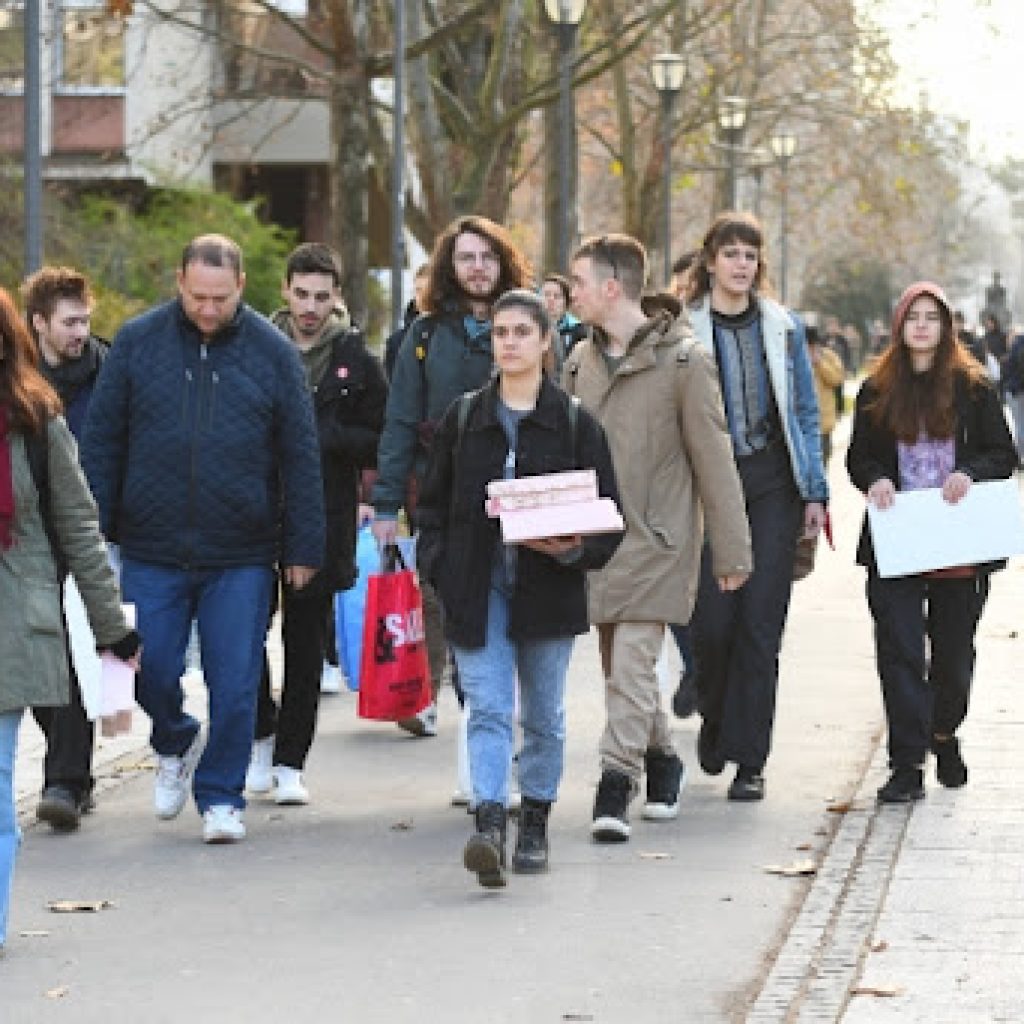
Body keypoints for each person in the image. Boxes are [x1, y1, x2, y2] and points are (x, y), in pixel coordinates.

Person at [82, 234, 325, 844]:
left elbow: (300, 455)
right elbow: (104, 440)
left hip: (240, 550)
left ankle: (222, 795)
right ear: (179, 283)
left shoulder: (273, 353)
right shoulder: (138, 342)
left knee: (237, 678)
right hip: (151, 543)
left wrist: (302, 546)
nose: (209, 309)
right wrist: (95, 530)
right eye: (197, 297)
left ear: (241, 286)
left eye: (220, 297)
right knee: (148, 666)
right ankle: (174, 738)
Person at [417, 289, 621, 886]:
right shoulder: (463, 418)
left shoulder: (576, 423)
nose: (509, 342)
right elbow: (431, 508)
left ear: (544, 342)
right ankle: (488, 824)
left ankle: (535, 818)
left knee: (543, 717)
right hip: (477, 591)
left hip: (547, 593)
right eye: (501, 333)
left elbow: (612, 517)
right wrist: (440, 567)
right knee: (486, 708)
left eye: (521, 333)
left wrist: (575, 550)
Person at [564, 233, 752, 841]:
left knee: (634, 663)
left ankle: (614, 784)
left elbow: (714, 457)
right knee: (623, 668)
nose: (571, 294)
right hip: (598, 542)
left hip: (662, 541)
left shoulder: (685, 361)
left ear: (611, 288)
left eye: (580, 283)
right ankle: (664, 759)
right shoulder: (578, 362)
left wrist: (731, 548)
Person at [0, 286, 139, 953]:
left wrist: (112, 627)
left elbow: (81, 528)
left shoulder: (34, 421)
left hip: (13, 620)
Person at [847, 282, 1016, 802]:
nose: (922, 325)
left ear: (946, 327)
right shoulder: (877, 389)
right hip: (898, 541)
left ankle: (943, 732)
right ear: (900, 327)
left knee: (952, 659)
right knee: (898, 652)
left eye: (932, 317)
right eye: (913, 317)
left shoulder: (974, 388)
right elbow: (859, 457)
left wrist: (969, 471)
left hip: (959, 547)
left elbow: (1003, 455)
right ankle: (906, 764)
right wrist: (874, 479)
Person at [684, 212, 828, 802]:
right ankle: (718, 719)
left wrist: (814, 490)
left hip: (772, 482)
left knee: (761, 624)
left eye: (750, 255)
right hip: (708, 488)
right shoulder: (682, 328)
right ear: (711, 260)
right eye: (731, 253)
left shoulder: (782, 327)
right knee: (711, 624)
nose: (741, 264)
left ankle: (751, 759)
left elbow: (804, 410)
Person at [372, 216, 532, 737]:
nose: (478, 268)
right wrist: (385, 505)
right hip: (438, 491)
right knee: (440, 596)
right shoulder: (424, 335)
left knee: (505, 605)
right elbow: (399, 420)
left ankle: (490, 719)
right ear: (450, 266)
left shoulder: (524, 327)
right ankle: (447, 701)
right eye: (467, 258)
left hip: (512, 489)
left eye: (487, 256)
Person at [245, 244, 386, 805]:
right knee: (243, 634)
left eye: (322, 297)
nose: (310, 307)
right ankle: (260, 735)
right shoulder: (254, 346)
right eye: (301, 294)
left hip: (322, 517)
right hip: (253, 515)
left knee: (304, 643)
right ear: (284, 290)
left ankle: (289, 761)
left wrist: (326, 438)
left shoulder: (354, 357)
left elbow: (381, 435)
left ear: (337, 298)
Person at [20, 267, 108, 830]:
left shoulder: (110, 372)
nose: (79, 333)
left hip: (94, 528)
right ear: (38, 325)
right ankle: (68, 776)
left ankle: (69, 778)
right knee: (39, 652)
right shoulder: (19, 383)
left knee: (83, 652)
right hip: (32, 537)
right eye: (69, 322)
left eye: (84, 320)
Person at [806, 324, 845, 465]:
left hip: (823, 422)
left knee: (823, 461)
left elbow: (837, 379)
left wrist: (819, 363)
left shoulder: (829, 356)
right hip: (803, 422)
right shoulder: (796, 356)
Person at [385, 263, 430, 381]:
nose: (423, 297)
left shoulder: (454, 337)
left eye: (428, 290)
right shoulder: (397, 343)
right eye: (418, 290)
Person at [540, 273, 588, 373]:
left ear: (566, 303)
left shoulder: (578, 330)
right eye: (546, 294)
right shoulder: (532, 328)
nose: (550, 300)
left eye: (557, 296)